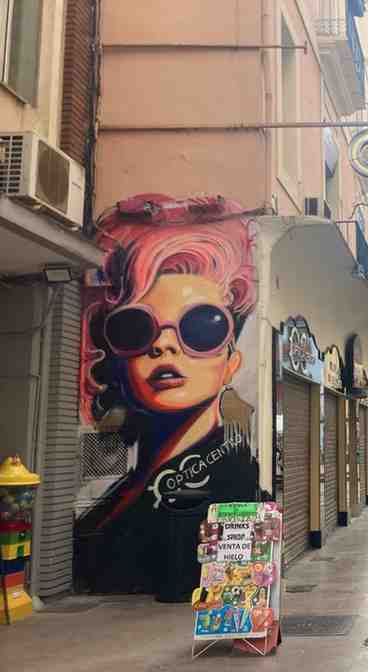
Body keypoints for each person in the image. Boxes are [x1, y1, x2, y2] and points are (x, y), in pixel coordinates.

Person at [74, 195, 259, 593]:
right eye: (136, 328)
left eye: (201, 327)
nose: (163, 347)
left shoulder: (237, 476)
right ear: (118, 360)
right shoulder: (117, 494)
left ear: (232, 362)